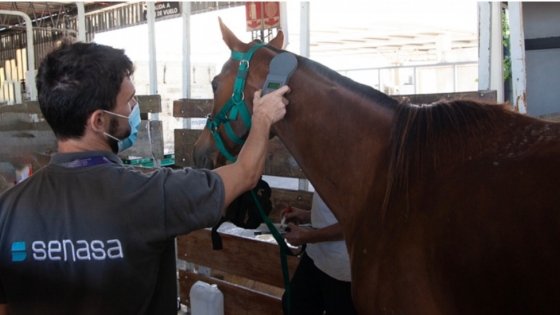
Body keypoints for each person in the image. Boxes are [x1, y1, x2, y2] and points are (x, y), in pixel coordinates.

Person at [0, 40, 290, 315]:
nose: (135, 109)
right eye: (130, 102)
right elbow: (245, 174)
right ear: (99, 121)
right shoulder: (148, 195)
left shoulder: (8, 208)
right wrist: (263, 118)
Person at [281, 192, 357, 315]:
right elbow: (336, 210)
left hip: (342, 267)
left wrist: (307, 236)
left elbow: (359, 222)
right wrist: (307, 215)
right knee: (293, 305)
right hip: (316, 255)